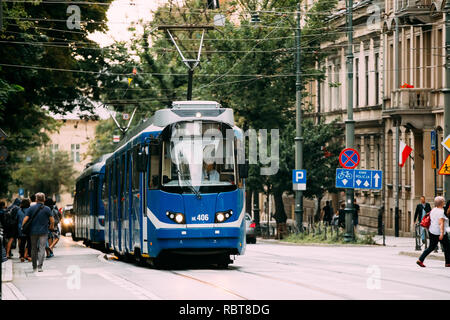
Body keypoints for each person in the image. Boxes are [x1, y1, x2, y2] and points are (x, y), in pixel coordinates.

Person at [21, 193, 54, 272]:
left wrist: (23, 227)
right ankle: (40, 267)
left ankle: (34, 266)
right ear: (44, 199)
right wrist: (51, 227)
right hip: (44, 231)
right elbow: (52, 220)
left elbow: (25, 219)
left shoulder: (31, 208)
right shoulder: (47, 209)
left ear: (36, 199)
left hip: (33, 231)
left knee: (33, 248)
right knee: (42, 248)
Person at [416, 196, 450, 267]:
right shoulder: (441, 212)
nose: (444, 203)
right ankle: (448, 262)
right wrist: (441, 233)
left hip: (432, 231)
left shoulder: (433, 210)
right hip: (439, 232)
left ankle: (420, 259)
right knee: (447, 246)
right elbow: (441, 223)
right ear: (442, 203)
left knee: (431, 247)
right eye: (443, 201)